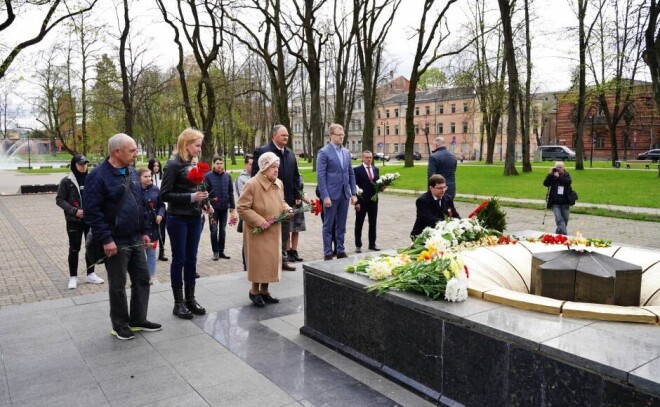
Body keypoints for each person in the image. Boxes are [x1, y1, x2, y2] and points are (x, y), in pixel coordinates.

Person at [83, 134, 161, 341]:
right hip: (115, 240)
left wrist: (144, 231)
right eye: (132, 150)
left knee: (142, 279)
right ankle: (120, 324)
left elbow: (141, 204)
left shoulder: (133, 173)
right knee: (118, 284)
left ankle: (138, 319)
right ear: (116, 151)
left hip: (135, 237)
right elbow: (92, 212)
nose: (136, 154)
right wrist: (106, 239)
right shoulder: (98, 176)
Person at [160, 128, 211, 319]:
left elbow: (198, 188)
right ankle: (178, 303)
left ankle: (190, 299)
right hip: (178, 218)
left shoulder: (193, 163)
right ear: (186, 144)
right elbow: (164, 194)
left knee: (192, 259)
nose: (199, 149)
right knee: (179, 259)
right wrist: (191, 197)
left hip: (194, 217)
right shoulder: (173, 164)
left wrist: (205, 203)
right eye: (197, 145)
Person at [237, 152, 292, 307]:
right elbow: (242, 208)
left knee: (270, 262)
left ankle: (265, 292)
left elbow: (281, 202)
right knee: (259, 263)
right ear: (264, 167)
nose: (276, 170)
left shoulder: (278, 183)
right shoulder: (252, 184)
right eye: (272, 167)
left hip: (274, 230)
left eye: (277, 167)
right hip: (258, 232)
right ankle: (254, 292)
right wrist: (260, 221)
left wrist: (288, 210)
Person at [252, 125, 301, 271]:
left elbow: (295, 176)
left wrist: (297, 195)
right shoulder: (262, 151)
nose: (286, 137)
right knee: (269, 234)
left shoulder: (290, 153)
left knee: (284, 233)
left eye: (287, 135)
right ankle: (266, 262)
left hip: (285, 201)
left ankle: (282, 259)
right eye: (283, 135)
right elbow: (255, 175)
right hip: (266, 201)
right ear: (274, 136)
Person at [56, 154, 105, 289]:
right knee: (74, 248)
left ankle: (91, 274)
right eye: (80, 164)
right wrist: (74, 210)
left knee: (91, 246)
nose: (83, 166)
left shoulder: (92, 179)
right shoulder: (67, 181)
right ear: (74, 165)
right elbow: (59, 200)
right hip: (74, 220)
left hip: (90, 219)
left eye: (85, 164)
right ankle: (73, 277)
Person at [316, 123, 357, 260]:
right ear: (331, 135)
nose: (341, 137)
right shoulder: (324, 152)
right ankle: (328, 252)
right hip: (331, 196)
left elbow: (351, 173)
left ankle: (340, 250)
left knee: (342, 224)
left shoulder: (346, 152)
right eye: (339, 134)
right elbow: (321, 176)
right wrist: (325, 196)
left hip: (344, 194)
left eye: (343, 134)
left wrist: (354, 193)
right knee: (328, 225)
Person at [410, 174, 460, 238]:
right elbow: (429, 219)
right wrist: (448, 224)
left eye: (444, 187)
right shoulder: (422, 200)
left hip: (442, 231)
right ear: (431, 188)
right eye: (440, 188)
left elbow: (454, 214)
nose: (443, 190)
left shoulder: (448, 198)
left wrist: (461, 223)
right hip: (422, 234)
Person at [138, 168, 165, 285]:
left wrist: (160, 214)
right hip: (140, 228)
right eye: (145, 177)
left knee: (151, 253)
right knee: (139, 254)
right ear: (139, 178)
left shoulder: (155, 189)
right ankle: (140, 278)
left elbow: (162, 205)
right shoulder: (136, 191)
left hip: (153, 227)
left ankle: (152, 277)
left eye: (150, 176)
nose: (149, 178)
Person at [205, 155, 235, 260]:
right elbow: (205, 193)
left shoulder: (227, 176)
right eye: (217, 163)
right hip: (213, 210)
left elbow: (231, 192)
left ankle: (221, 251)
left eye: (221, 163)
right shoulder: (208, 176)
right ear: (214, 164)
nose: (219, 165)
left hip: (224, 208)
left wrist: (232, 206)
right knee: (213, 230)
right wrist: (207, 206)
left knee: (222, 230)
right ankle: (215, 251)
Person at [353, 150, 380, 253]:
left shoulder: (376, 169)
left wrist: (382, 187)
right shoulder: (357, 170)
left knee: (373, 223)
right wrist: (356, 202)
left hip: (373, 201)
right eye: (367, 157)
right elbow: (354, 187)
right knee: (359, 223)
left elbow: (377, 184)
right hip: (362, 201)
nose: (369, 159)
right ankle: (358, 245)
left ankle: (372, 244)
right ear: (363, 158)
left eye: (370, 157)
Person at [235, 155, 253, 271]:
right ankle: (246, 265)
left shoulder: (259, 177)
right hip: (247, 214)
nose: (252, 166)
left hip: (259, 213)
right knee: (247, 241)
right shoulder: (241, 179)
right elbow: (243, 198)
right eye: (251, 164)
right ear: (245, 165)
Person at [543, 161, 572, 235]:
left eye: (560, 167)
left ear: (563, 168)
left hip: (565, 202)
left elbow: (568, 182)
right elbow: (545, 183)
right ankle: (564, 234)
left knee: (565, 220)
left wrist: (559, 177)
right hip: (555, 203)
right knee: (559, 219)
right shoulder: (552, 176)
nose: (558, 169)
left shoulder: (566, 175)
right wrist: (550, 174)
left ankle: (558, 234)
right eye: (557, 167)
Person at [148, 158, 168, 261]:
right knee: (154, 230)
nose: (156, 168)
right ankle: (151, 251)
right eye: (154, 166)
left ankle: (162, 252)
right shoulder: (148, 177)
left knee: (162, 231)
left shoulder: (162, 177)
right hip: (152, 207)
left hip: (163, 207)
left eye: (157, 166)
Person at [287, 174, 308, 262]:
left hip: (298, 205)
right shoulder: (285, 173)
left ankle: (294, 251)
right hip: (288, 204)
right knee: (287, 229)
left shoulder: (300, 176)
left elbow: (301, 190)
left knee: (296, 229)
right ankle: (288, 252)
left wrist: (306, 199)